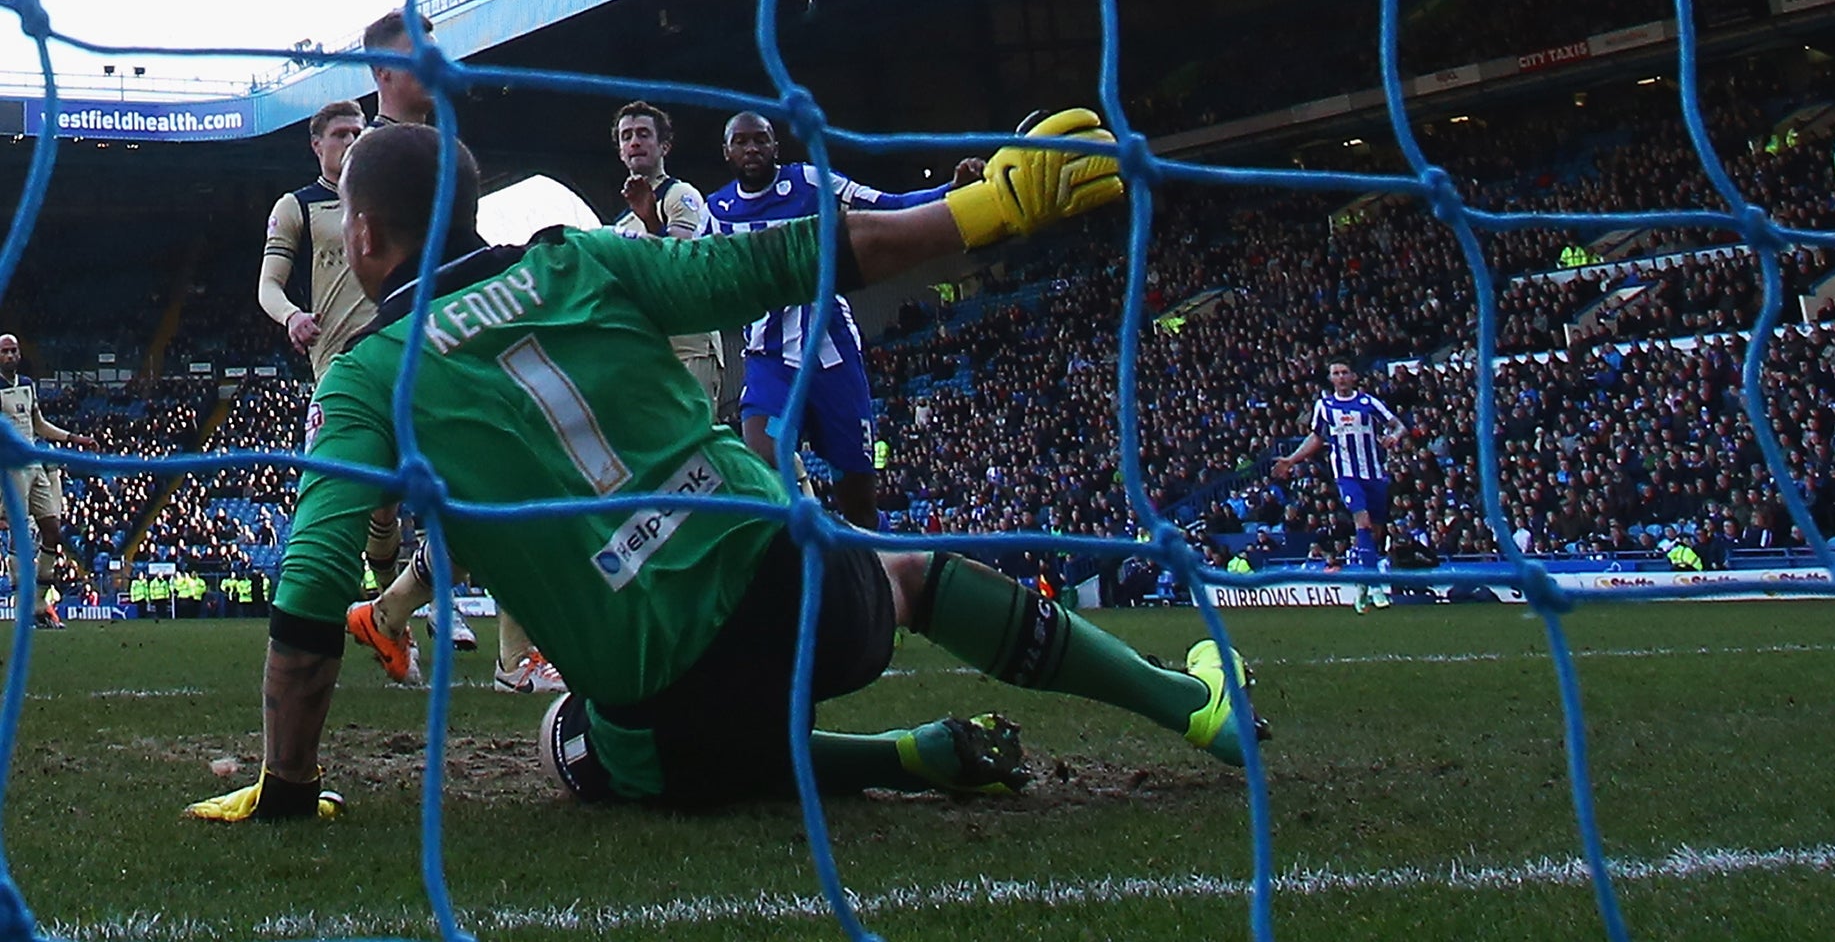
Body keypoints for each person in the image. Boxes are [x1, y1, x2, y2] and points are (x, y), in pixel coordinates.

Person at [184, 114, 1264, 821]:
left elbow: (314, 582)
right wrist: (988, 208)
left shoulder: (367, 375)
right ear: (465, 214)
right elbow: (796, 255)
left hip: (659, 704)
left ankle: (897, 760)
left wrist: (288, 787)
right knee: (906, 570)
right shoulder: (587, 259)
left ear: (361, 236)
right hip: (798, 602)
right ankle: (1185, 705)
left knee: (576, 742)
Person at [350, 7, 554, 689]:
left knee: (490, 492)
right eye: (418, 52)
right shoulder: (369, 158)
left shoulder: (442, 148)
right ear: (384, 71)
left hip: (451, 342)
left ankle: (405, 617)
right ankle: (388, 618)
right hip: (398, 358)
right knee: (491, 489)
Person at [701, 111, 983, 530]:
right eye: (740, 142)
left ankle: (879, 569)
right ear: (726, 151)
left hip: (831, 359)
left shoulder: (810, 183)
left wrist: (952, 191)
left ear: (776, 146)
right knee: (763, 454)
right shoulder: (717, 211)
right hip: (771, 363)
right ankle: (797, 559)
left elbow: (886, 207)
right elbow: (691, 272)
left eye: (760, 140)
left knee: (859, 503)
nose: (752, 149)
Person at [610, 101, 720, 405]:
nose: (634, 142)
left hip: (689, 344)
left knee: (695, 441)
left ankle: (782, 455)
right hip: (649, 348)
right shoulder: (619, 223)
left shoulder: (680, 195)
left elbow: (681, 262)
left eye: (644, 134)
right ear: (620, 150)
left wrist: (651, 221)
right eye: (626, 136)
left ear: (664, 146)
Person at [257, 102, 371, 382]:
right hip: (339, 359)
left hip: (397, 348)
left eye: (358, 133)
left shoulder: (387, 202)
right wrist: (292, 316)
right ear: (317, 145)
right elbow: (268, 285)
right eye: (340, 134)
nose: (351, 141)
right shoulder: (295, 206)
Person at [0, 335, 97, 628]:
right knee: (20, 532)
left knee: (52, 531)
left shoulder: (28, 384)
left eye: (13, 350)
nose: (9, 355)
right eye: (4, 352)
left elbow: (38, 424)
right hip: (12, 467)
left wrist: (72, 438)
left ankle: (41, 605)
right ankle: (23, 608)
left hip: (35, 463)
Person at [1271, 360, 1403, 560]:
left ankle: (1367, 563)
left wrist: (1395, 437)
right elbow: (1316, 437)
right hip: (1346, 474)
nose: (1341, 377)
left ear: (1353, 376)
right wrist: (1291, 460)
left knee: (1375, 529)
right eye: (1336, 373)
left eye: (1344, 372)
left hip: (1373, 473)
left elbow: (1399, 425)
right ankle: (1371, 581)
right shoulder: (1324, 406)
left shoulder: (1368, 402)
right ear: (1331, 378)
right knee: (1363, 521)